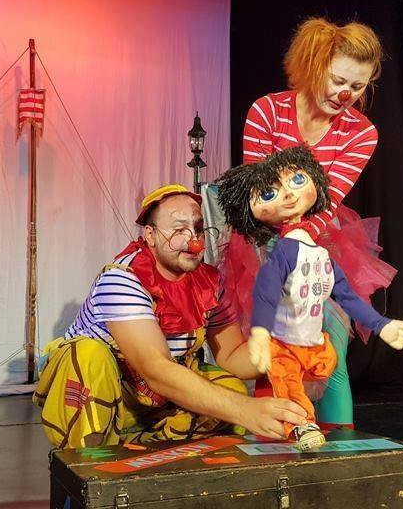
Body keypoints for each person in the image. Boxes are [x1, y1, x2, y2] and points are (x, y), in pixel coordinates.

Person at [33, 184, 309, 449]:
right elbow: (154, 368)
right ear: (150, 235)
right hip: (103, 397)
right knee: (87, 355)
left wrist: (285, 347)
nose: (195, 243)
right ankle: (88, 462)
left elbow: (232, 356)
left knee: (231, 388)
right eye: (179, 230)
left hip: (157, 399)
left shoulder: (210, 284)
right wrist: (246, 410)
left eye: (198, 229)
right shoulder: (123, 280)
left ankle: (154, 454)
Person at [240, 16, 397, 429]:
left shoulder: (361, 133)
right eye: (338, 80)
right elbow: (257, 193)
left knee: (329, 352)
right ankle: (270, 443)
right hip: (259, 240)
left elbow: (329, 200)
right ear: (312, 65)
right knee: (270, 353)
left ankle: (341, 447)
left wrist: (300, 244)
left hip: (322, 241)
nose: (346, 95)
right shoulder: (267, 111)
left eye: (357, 87)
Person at [216, 145, 403, 450]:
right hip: (284, 344)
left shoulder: (320, 253)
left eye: (296, 180)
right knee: (287, 382)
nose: (288, 195)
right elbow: (266, 293)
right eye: (269, 193)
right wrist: (260, 333)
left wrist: (380, 324)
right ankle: (303, 425)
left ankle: (336, 432)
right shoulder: (283, 252)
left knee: (331, 364)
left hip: (313, 344)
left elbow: (346, 295)